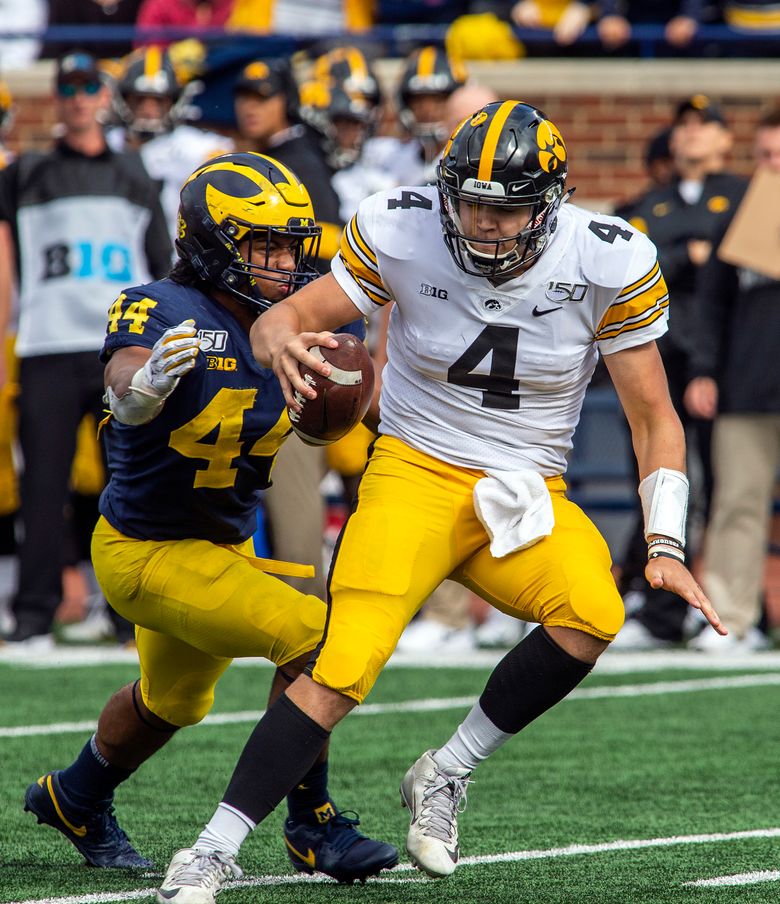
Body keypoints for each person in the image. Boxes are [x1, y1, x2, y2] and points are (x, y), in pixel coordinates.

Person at [156, 100, 724, 900]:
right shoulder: (401, 224)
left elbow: (653, 418)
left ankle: (446, 773)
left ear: (550, 203)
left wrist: (664, 543)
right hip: (414, 473)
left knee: (594, 613)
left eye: (508, 209)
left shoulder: (610, 257)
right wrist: (280, 341)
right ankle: (211, 849)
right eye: (473, 203)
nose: (486, 224)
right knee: (341, 666)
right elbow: (285, 317)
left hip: (526, 489)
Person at [22, 152, 397, 885]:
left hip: (216, 549)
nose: (283, 262)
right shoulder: (159, 307)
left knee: (173, 702)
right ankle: (311, 825)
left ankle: (76, 796)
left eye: (291, 246)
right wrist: (140, 391)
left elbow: (370, 408)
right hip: (143, 551)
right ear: (210, 243)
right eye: (264, 245)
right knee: (318, 638)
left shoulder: (299, 320)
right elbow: (125, 374)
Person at [0, 52, 172, 648]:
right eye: (67, 88)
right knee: (42, 487)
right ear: (58, 98)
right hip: (46, 343)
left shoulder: (134, 172)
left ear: (104, 96)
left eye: (87, 87)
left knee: (129, 482)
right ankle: (32, 616)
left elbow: (159, 267)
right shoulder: (25, 172)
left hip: (116, 348)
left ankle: (130, 617)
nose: (77, 98)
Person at [614, 95, 747, 649]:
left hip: (725, 361)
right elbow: (635, 255)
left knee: (723, 488)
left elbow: (731, 265)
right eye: (684, 126)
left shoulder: (744, 196)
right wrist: (684, 256)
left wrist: (696, 256)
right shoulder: (651, 203)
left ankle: (734, 608)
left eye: (704, 125)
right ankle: (663, 611)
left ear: (724, 139)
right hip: (657, 359)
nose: (691, 134)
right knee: (654, 484)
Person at [684, 109, 780, 652]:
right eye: (764, 156)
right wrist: (703, 370)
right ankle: (730, 619)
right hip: (746, 388)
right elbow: (711, 304)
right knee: (737, 505)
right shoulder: (740, 215)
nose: (772, 167)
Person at [108, 46, 233, 237]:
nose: (148, 110)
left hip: (174, 254)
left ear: (174, 101)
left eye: (158, 101)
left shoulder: (194, 146)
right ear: (125, 100)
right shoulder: (107, 143)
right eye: (140, 100)